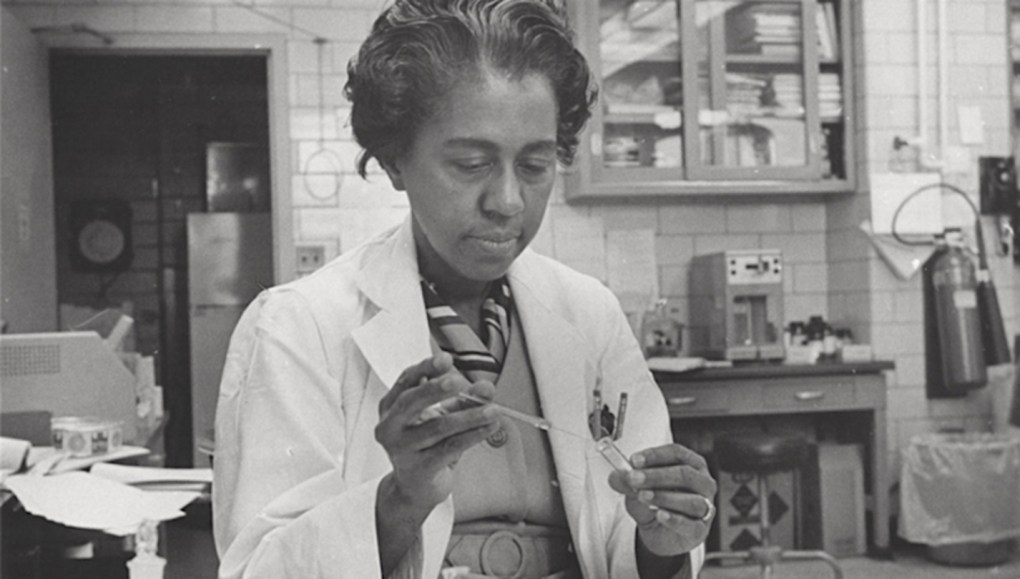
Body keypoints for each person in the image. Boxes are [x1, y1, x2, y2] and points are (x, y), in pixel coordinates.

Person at [212, 1, 716, 577]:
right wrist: (402, 497)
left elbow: (635, 548)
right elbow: (259, 568)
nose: (506, 201)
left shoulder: (588, 312)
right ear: (396, 160)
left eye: (535, 164)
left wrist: (666, 536)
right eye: (472, 163)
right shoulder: (299, 326)